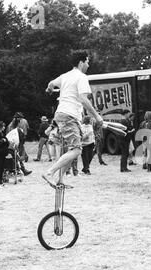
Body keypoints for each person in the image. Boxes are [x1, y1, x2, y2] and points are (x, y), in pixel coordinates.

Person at [42, 50, 103, 187]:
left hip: (64, 114)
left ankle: (60, 180)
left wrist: (49, 90)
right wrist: (97, 116)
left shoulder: (65, 76)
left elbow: (51, 84)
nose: (88, 64)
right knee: (76, 150)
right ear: (81, 62)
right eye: (87, 61)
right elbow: (83, 99)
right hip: (69, 115)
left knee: (73, 151)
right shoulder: (81, 77)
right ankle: (49, 173)